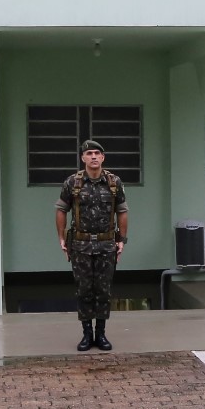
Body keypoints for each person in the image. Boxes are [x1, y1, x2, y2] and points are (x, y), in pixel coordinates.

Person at [55, 139, 128, 352]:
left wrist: (121, 240)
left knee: (103, 290)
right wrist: (61, 238)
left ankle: (101, 333)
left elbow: (122, 211)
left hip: (106, 244)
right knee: (84, 289)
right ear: (83, 158)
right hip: (80, 244)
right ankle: (87, 334)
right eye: (89, 154)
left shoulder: (114, 183)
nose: (94, 157)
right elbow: (61, 209)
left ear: (103, 157)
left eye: (97, 153)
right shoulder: (73, 183)